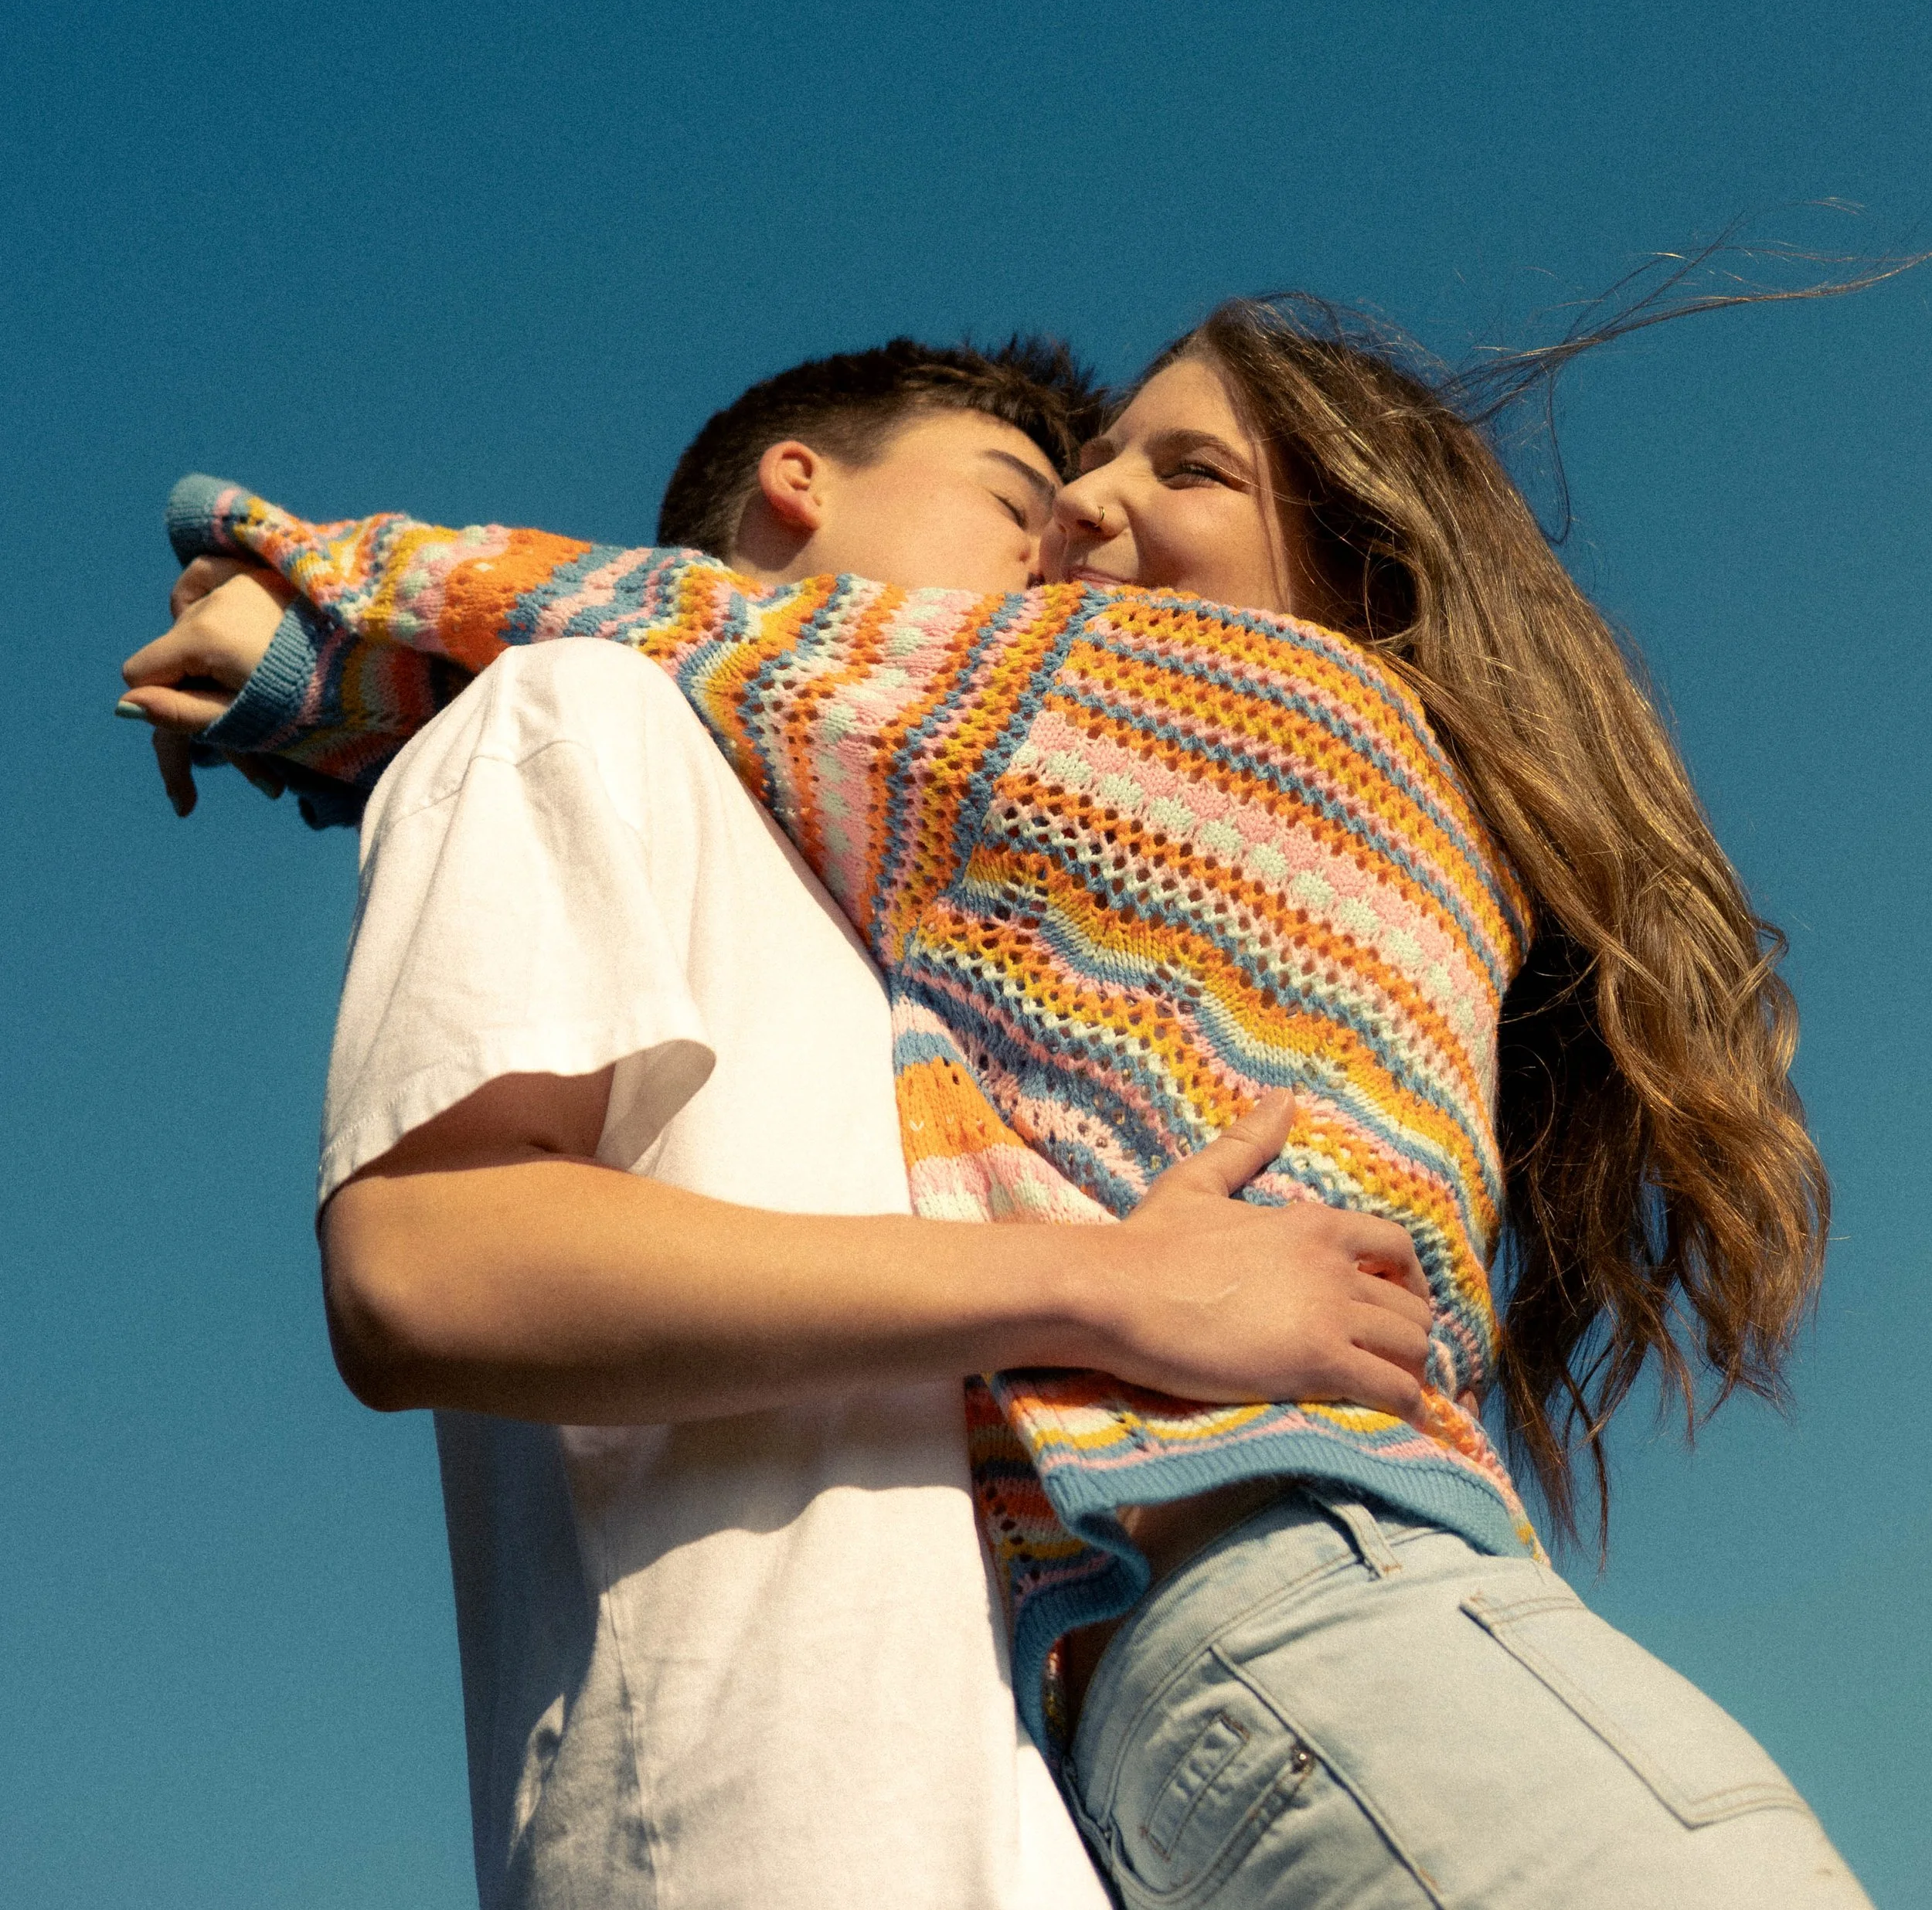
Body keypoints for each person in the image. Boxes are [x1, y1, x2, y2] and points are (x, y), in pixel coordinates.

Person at [124, 294, 1871, 1905]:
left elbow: (680, 620)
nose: (1073, 523)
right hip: (1190, 1703)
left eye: (1177, 468)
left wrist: (309, 616)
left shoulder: (1274, 706)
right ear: (799, 487)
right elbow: (678, 681)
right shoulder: (924, 882)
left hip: (1318, 1638)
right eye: (1043, 480)